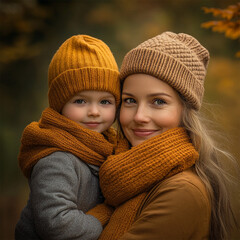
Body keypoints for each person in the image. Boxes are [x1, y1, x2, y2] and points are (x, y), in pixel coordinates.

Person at [89, 31, 237, 240]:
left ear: (184, 111)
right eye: (130, 100)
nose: (140, 116)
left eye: (158, 101)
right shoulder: (115, 176)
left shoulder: (182, 192)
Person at [15, 34, 122, 240]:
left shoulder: (107, 146)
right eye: (80, 101)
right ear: (59, 105)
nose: (94, 111)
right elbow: (56, 224)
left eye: (105, 102)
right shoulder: (56, 158)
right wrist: (103, 220)